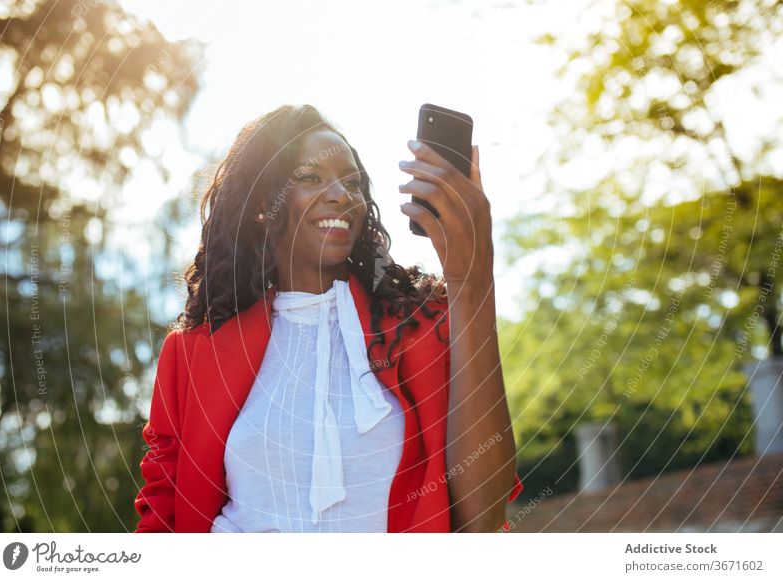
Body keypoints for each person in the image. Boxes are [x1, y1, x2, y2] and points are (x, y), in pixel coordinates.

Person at [133, 104, 523, 533]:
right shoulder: (192, 354)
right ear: (265, 205)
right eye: (311, 177)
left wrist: (472, 283)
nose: (340, 194)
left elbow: (484, 515)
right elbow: (163, 516)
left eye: (351, 181)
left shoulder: (427, 327)